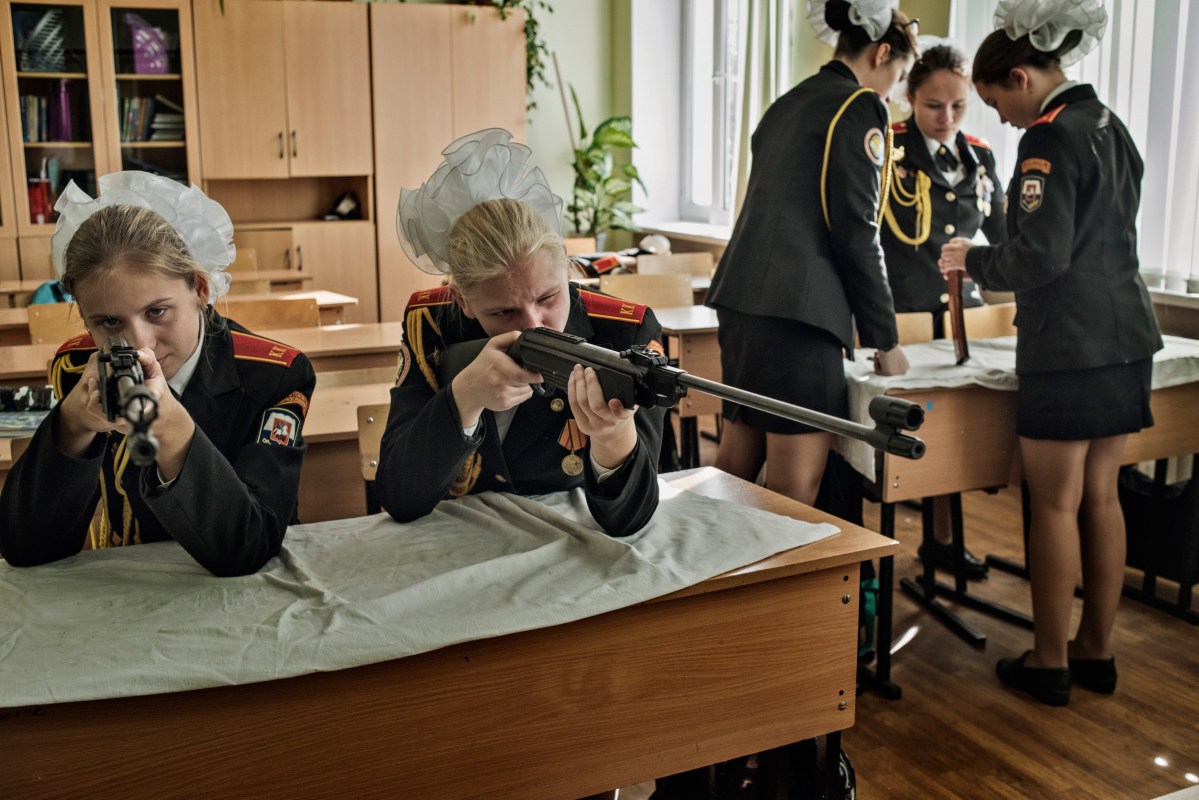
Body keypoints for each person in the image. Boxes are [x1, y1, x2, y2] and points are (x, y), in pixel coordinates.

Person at [939, 0, 1162, 706]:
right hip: (1125, 337)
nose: (998, 117)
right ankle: (1096, 651)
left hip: (1066, 345)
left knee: (1055, 504)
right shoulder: (1110, 127)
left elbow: (1038, 256)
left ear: (1022, 77)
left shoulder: (1047, 139)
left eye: (995, 99)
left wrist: (973, 259)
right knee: (1102, 496)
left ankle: (1048, 659)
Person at [0, 171, 316, 578]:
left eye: (157, 312)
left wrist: (173, 432)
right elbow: (27, 547)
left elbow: (249, 548)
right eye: (109, 321)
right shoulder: (80, 369)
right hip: (135, 589)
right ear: (83, 317)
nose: (139, 342)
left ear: (200, 289)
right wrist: (73, 427)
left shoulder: (275, 375)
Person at [375, 128, 665, 538]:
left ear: (567, 268)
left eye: (549, 297)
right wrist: (463, 399)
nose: (532, 323)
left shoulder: (625, 331)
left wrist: (613, 437)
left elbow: (629, 521)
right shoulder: (432, 322)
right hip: (456, 544)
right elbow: (399, 496)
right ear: (462, 301)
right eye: (503, 310)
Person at [705, 0, 917, 509]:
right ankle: (770, 589)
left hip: (744, 298)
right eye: (899, 74)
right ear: (882, 52)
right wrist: (885, 338)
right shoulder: (860, 105)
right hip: (799, 312)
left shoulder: (789, 100)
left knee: (737, 459)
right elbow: (857, 229)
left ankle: (708, 576)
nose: (894, 90)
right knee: (794, 486)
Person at [882, 43, 1009, 581]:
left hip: (962, 316)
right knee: (914, 433)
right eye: (934, 106)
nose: (947, 118)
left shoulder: (979, 156)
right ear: (910, 97)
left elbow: (1004, 238)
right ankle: (887, 551)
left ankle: (942, 542)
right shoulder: (888, 149)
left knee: (956, 430)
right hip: (903, 313)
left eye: (959, 106)